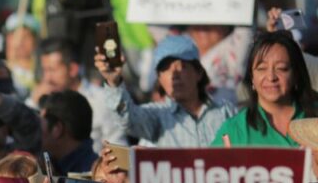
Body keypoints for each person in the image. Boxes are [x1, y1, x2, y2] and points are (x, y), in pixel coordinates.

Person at [98, 34, 236, 148]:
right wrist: (114, 82)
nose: (174, 74)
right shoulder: (156, 115)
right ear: (159, 78)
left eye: (181, 66)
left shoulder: (226, 112)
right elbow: (127, 120)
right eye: (165, 69)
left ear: (198, 72)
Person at [212, 30, 318, 147]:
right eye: (261, 68)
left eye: (281, 68)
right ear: (252, 77)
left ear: (296, 74)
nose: (271, 77)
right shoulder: (233, 131)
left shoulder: (314, 116)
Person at [30, 38, 126, 151]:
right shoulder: (40, 99)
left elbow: (118, 147)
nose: (47, 78)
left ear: (72, 69)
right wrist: (33, 103)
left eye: (52, 70)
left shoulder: (102, 100)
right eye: (44, 70)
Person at [40, 90, 98, 175]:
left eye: (40, 123)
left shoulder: (94, 175)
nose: (37, 131)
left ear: (57, 129)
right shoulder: (49, 165)